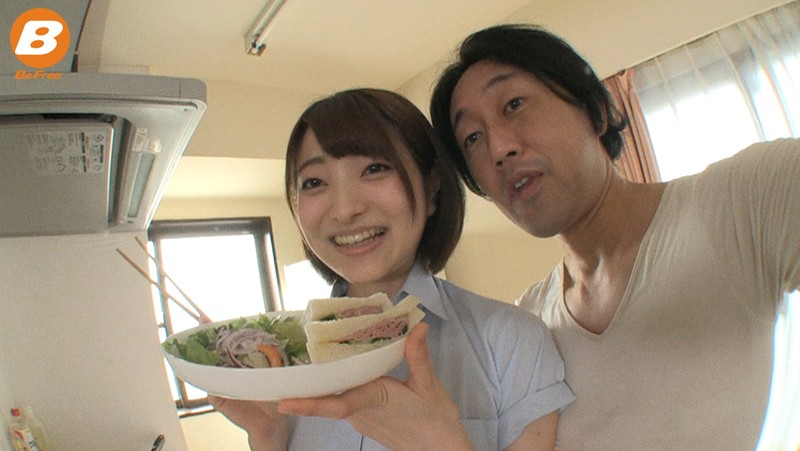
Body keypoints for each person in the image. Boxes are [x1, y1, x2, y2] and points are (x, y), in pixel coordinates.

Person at [428, 24, 800, 449]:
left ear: (596, 112)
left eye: (514, 104)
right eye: (472, 138)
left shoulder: (739, 203)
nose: (498, 149)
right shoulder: (525, 327)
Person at [210, 88, 575, 450]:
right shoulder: (289, 363)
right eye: (315, 182)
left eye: (374, 169)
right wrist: (269, 438)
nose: (345, 209)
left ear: (431, 189)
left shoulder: (512, 340)